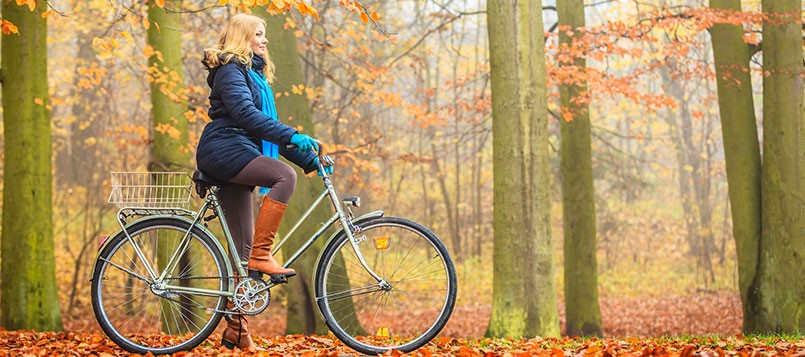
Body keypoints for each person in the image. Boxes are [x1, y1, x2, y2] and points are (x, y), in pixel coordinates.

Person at [196, 13, 332, 350]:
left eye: (265, 34)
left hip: (238, 149)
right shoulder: (231, 71)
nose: (265, 39)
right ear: (243, 36)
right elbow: (246, 117)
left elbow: (265, 126)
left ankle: (237, 329)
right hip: (224, 148)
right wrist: (294, 135)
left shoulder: (253, 75)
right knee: (281, 175)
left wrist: (310, 160)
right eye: (258, 33)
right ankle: (262, 255)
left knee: (241, 254)